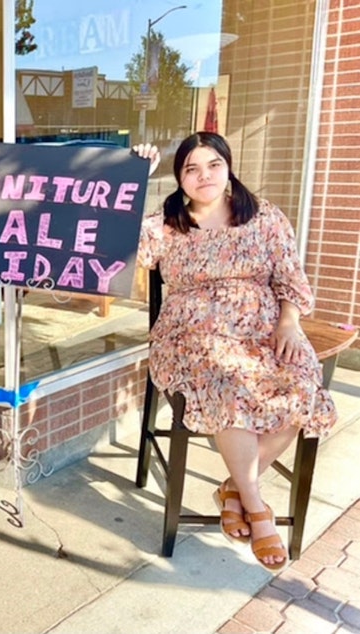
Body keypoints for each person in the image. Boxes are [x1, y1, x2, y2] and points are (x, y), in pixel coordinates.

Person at [132, 132, 337, 573]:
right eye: (191, 168)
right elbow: (117, 242)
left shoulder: (262, 217)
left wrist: (288, 322)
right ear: (179, 177)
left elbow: (290, 277)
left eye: (213, 165)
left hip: (263, 330)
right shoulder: (167, 223)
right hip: (193, 334)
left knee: (303, 392)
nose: (203, 176)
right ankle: (258, 509)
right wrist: (134, 179)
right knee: (230, 387)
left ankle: (233, 489)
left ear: (228, 168)